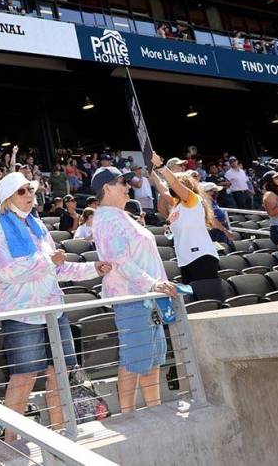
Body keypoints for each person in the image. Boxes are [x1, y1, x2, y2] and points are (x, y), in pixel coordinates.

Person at [0, 171, 110, 440]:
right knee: (24, 376)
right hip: (21, 314)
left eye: (30, 190)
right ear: (8, 198)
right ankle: (9, 440)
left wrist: (94, 268)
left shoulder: (38, 227)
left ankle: (60, 434)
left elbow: (58, 268)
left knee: (60, 373)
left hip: (53, 310)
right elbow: (8, 271)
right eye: (22, 191)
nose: (30, 195)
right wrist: (48, 262)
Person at [90, 165, 176, 414]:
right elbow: (120, 261)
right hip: (132, 297)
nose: (128, 186)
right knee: (134, 360)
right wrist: (153, 283)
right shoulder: (105, 218)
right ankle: (127, 416)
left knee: (152, 361)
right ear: (106, 188)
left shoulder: (120, 215)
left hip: (148, 297)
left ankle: (154, 410)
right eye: (122, 182)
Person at [151, 153, 222, 301]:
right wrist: (152, 173)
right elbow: (163, 191)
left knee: (209, 302)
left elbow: (175, 185)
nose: (170, 186)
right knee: (196, 304)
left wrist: (161, 167)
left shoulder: (193, 200)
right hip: (185, 259)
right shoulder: (177, 205)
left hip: (201, 256)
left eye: (174, 183)